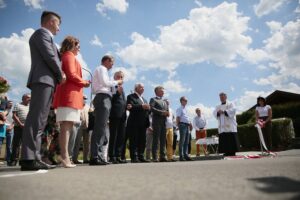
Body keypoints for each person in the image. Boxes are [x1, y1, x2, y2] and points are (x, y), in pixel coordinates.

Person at [20, 11, 63, 171]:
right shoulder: (41, 34)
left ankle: (33, 157)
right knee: (36, 119)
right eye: (58, 23)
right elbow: (50, 57)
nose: (59, 28)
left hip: (47, 81)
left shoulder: (46, 36)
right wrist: (61, 75)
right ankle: (29, 158)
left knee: (40, 121)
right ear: (51, 22)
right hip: (43, 79)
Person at [53, 36, 90, 168]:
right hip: (68, 96)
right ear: (71, 45)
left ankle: (65, 156)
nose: (79, 47)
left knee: (67, 126)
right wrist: (84, 82)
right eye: (77, 45)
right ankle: (64, 157)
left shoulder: (70, 56)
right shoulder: (68, 55)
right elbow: (71, 75)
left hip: (72, 96)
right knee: (66, 127)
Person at [90, 55, 122, 165]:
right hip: (102, 98)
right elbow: (105, 83)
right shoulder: (102, 69)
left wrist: (115, 88)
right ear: (106, 61)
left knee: (101, 127)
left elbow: (109, 87)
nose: (113, 65)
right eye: (112, 62)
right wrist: (117, 82)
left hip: (105, 98)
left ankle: (97, 155)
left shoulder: (103, 71)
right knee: (100, 128)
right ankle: (95, 156)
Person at [126, 83, 150, 163]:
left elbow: (147, 111)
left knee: (142, 140)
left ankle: (141, 156)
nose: (143, 89)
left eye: (143, 87)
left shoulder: (144, 99)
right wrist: (141, 106)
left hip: (143, 123)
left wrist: (148, 108)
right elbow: (131, 107)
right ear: (136, 88)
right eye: (141, 87)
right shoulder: (131, 96)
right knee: (134, 140)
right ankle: (134, 157)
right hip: (134, 122)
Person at [108, 71, 127, 164]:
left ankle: (118, 155)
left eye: (122, 77)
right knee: (114, 136)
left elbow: (122, 102)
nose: (120, 79)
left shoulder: (122, 89)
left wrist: (127, 105)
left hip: (123, 116)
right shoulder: (111, 86)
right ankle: (112, 156)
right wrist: (117, 93)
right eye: (118, 77)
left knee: (121, 136)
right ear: (114, 77)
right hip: (114, 115)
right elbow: (109, 99)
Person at [213, 92, 239, 156]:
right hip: (222, 126)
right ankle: (226, 151)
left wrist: (224, 112)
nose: (221, 98)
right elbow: (214, 113)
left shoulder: (231, 104)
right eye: (220, 97)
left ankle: (232, 152)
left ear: (226, 97)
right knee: (224, 138)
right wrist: (218, 113)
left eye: (223, 97)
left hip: (230, 125)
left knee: (230, 138)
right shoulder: (218, 106)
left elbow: (234, 110)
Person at [9, 94, 31, 166]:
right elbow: (14, 116)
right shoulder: (17, 105)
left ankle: (23, 160)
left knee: (26, 144)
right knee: (16, 144)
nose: (29, 99)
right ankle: (14, 160)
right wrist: (20, 124)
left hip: (28, 127)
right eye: (28, 97)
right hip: (18, 127)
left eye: (30, 98)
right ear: (23, 98)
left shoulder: (31, 106)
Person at [150, 86, 169, 162]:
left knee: (163, 140)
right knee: (156, 140)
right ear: (156, 92)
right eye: (162, 91)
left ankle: (163, 156)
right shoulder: (153, 99)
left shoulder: (164, 101)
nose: (163, 92)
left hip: (164, 122)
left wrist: (167, 113)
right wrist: (162, 113)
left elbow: (167, 110)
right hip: (157, 122)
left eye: (163, 91)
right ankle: (155, 157)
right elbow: (151, 108)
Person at [72, 95, 90, 164]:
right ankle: (74, 158)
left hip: (86, 126)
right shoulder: (78, 105)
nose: (84, 99)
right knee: (77, 142)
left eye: (85, 98)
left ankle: (85, 158)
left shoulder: (88, 106)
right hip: (79, 127)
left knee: (87, 143)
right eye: (83, 98)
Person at [176, 96, 193, 161]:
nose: (186, 101)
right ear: (181, 101)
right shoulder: (179, 108)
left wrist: (190, 124)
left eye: (186, 100)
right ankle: (181, 156)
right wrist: (178, 126)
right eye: (185, 100)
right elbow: (178, 118)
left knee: (187, 141)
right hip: (182, 125)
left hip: (187, 125)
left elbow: (187, 118)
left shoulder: (186, 109)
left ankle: (186, 155)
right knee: (182, 141)